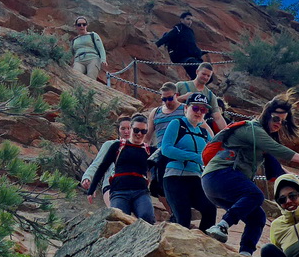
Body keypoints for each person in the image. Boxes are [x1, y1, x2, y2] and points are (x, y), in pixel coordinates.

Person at [202, 118, 299, 256]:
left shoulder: (262, 143)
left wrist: (290, 176)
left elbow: (274, 167)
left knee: (257, 217)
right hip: (217, 175)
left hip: (218, 183)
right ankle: (222, 225)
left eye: (282, 122)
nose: (278, 124)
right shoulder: (251, 129)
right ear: (266, 116)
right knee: (255, 195)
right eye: (275, 118)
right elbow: (278, 149)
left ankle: (245, 254)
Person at [159, 93, 217, 231]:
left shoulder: (203, 132)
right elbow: (166, 149)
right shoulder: (177, 124)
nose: (199, 112)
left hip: (196, 178)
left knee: (210, 209)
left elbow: (214, 151)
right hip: (175, 177)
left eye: (203, 110)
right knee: (183, 218)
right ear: (186, 108)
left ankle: (202, 243)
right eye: (195, 108)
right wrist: (195, 157)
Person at [86, 114, 154, 223]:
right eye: (136, 130)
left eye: (143, 131)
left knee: (147, 217)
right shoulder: (117, 146)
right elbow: (102, 167)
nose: (139, 134)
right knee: (119, 221)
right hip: (119, 191)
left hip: (140, 191)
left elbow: (163, 165)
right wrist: (91, 188)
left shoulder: (150, 150)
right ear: (131, 128)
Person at [81, 117, 132, 206]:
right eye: (123, 128)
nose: (126, 131)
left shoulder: (142, 147)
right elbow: (97, 163)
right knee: (117, 214)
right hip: (112, 185)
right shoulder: (110, 145)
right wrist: (87, 177)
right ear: (118, 130)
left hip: (135, 187)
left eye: (129, 128)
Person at [175, 62, 227, 131]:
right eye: (203, 74)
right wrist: (183, 97)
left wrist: (227, 132)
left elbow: (217, 117)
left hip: (195, 128)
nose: (205, 77)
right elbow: (166, 103)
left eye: (208, 76)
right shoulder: (180, 86)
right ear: (197, 72)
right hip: (176, 123)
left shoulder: (210, 95)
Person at [155, 11, 206, 79]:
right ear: (181, 20)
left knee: (204, 70)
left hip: (191, 56)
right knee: (197, 70)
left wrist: (199, 52)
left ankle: (196, 86)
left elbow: (192, 45)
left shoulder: (190, 31)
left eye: (191, 20)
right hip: (181, 57)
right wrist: (155, 46)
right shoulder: (178, 29)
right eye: (188, 19)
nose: (190, 22)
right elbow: (166, 38)